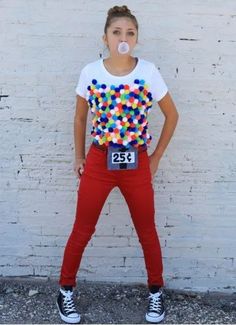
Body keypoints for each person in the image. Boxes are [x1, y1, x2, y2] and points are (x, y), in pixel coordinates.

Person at [56, 5, 179, 324]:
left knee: (146, 229)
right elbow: (81, 116)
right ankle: (65, 289)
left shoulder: (148, 72)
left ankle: (156, 292)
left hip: (136, 160)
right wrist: (79, 155)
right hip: (100, 159)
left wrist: (155, 157)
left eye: (130, 32)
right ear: (106, 37)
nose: (123, 38)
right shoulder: (90, 72)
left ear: (136, 38)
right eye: (117, 32)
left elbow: (172, 116)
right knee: (83, 227)